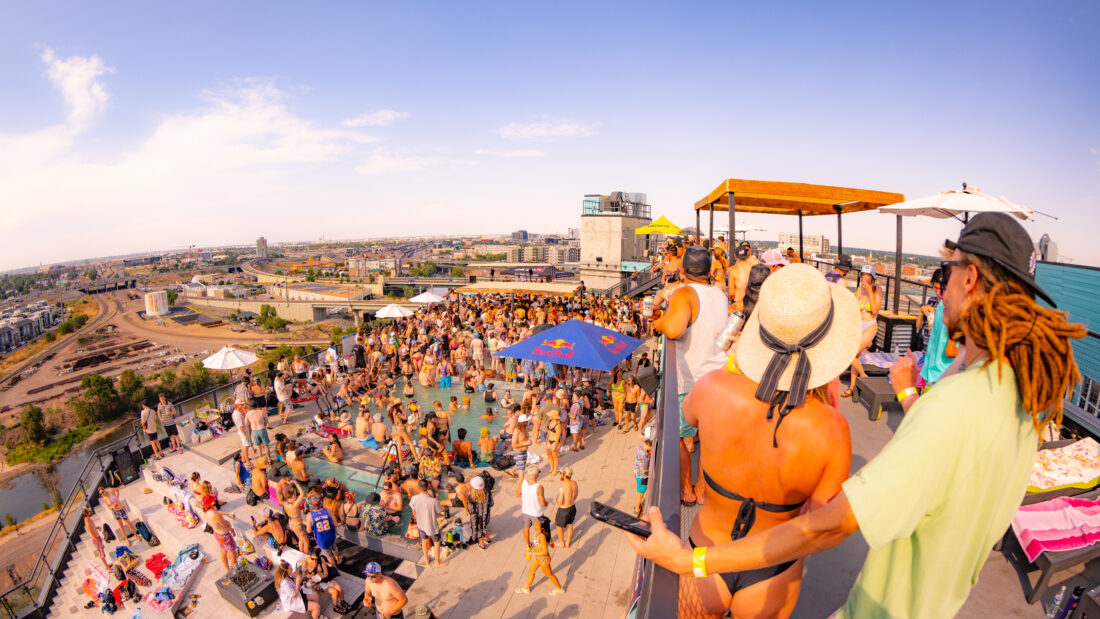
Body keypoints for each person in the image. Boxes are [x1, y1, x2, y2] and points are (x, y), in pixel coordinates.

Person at [626, 213, 1087, 619]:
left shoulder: (952, 409)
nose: (940, 285)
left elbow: (832, 525)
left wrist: (694, 563)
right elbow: (941, 431)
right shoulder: (1022, 401)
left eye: (947, 271)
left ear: (968, 281)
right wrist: (912, 391)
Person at [652, 245, 728, 507]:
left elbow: (673, 330)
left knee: (677, 435)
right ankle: (704, 489)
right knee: (707, 437)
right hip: (717, 377)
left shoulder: (685, 293)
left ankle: (688, 488)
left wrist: (658, 322)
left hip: (690, 378)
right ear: (709, 270)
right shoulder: (720, 294)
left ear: (683, 270)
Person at [842, 265, 882, 399]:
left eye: (868, 275)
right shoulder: (859, 289)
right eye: (863, 275)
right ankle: (852, 387)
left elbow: (875, 311)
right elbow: (854, 307)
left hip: (870, 325)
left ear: (873, 277)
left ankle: (864, 376)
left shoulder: (878, 290)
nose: (865, 277)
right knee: (856, 357)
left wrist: (870, 291)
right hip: (859, 325)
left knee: (850, 353)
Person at [514, 515, 565, 596]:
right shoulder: (538, 532)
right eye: (536, 522)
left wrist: (532, 553)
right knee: (531, 571)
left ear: (542, 527)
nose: (535, 523)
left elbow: (544, 552)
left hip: (543, 559)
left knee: (549, 574)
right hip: (537, 557)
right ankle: (526, 588)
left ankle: (559, 589)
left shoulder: (542, 537)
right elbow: (549, 538)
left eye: (537, 523)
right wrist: (550, 544)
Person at [409, 479, 448, 567]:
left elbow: (413, 510)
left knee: (424, 541)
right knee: (437, 542)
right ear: (428, 487)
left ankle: (426, 560)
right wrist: (444, 513)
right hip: (432, 526)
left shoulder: (414, 498)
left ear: (418, 487)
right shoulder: (433, 501)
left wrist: (417, 518)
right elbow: (438, 512)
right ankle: (437, 563)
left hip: (421, 524)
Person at [303, 547, 352, 614]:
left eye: (316, 559)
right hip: (316, 583)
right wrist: (309, 577)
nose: (314, 561)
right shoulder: (305, 562)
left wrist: (320, 577)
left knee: (339, 589)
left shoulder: (321, 559)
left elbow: (326, 573)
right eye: (312, 558)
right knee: (334, 591)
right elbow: (303, 575)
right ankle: (335, 606)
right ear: (309, 555)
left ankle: (342, 602)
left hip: (324, 578)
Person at [202, 494, 238, 573]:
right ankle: (236, 572)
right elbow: (225, 526)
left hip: (217, 534)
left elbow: (216, 512)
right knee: (233, 555)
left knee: (223, 551)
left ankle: (227, 570)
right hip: (225, 536)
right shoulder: (215, 515)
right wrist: (231, 528)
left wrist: (226, 514)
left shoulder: (206, 513)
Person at [516, 467, 547, 550]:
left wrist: (527, 497)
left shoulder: (523, 482)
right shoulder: (539, 487)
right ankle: (538, 544)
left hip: (526, 511)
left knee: (526, 528)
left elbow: (517, 494)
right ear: (536, 476)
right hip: (537, 513)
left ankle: (528, 544)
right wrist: (546, 503)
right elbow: (543, 503)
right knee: (539, 530)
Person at [305, 493, 341, 564]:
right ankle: (338, 559)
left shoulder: (309, 516)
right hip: (331, 535)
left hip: (321, 539)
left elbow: (308, 530)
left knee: (328, 555)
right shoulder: (328, 510)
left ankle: (334, 567)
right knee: (334, 547)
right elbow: (336, 524)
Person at [554, 467, 578, 549]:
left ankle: (561, 542)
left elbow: (559, 502)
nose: (559, 475)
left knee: (558, 526)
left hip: (564, 510)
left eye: (560, 473)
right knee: (570, 525)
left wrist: (556, 498)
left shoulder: (562, 487)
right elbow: (575, 495)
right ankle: (567, 542)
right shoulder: (574, 483)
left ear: (564, 475)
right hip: (572, 507)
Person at [468, 475, 492, 549]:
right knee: (485, 527)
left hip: (477, 518)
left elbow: (471, 510)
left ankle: (482, 545)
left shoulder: (472, 496)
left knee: (479, 532)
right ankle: (488, 539)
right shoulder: (487, 492)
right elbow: (491, 503)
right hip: (486, 516)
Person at [634, 436, 652, 518]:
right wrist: (652, 467)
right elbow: (643, 470)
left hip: (636, 473)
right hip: (642, 477)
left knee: (641, 492)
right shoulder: (644, 455)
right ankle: (637, 508)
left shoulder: (640, 447)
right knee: (640, 493)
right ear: (648, 444)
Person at [231, 400, 252, 467]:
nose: (243, 405)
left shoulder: (237, 412)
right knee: (246, 446)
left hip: (243, 431)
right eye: (242, 404)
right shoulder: (237, 415)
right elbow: (240, 426)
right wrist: (245, 435)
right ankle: (247, 461)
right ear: (238, 405)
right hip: (244, 431)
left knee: (244, 445)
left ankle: (243, 458)